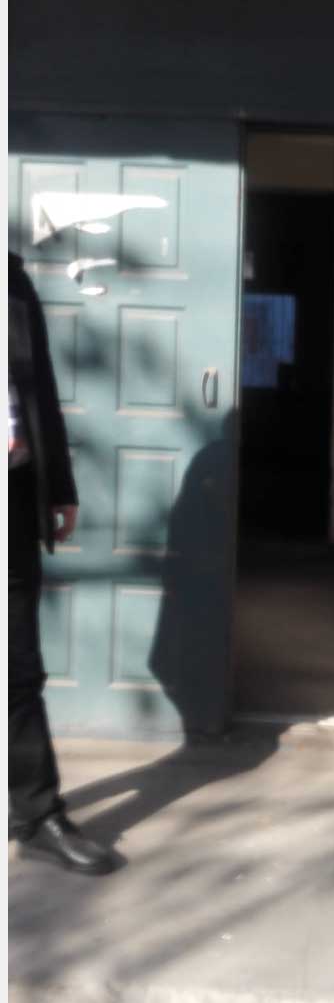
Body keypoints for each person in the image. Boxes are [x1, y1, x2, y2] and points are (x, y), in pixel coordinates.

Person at [8, 251, 115, 874]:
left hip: (14, 492)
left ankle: (37, 817)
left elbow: (39, 386)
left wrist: (61, 487)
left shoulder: (10, 279)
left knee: (18, 668)